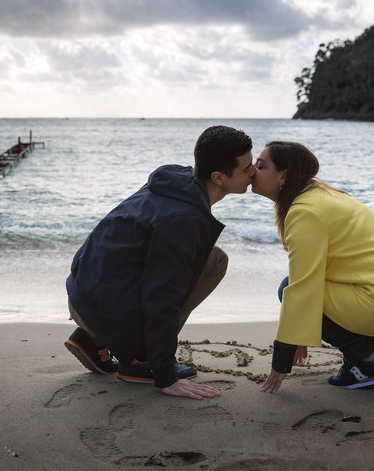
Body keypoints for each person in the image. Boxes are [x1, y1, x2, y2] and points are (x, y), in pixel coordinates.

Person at [64, 126, 255, 400]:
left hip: (84, 293)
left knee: (213, 259)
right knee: (198, 270)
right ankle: (141, 361)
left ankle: (92, 338)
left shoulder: (176, 180)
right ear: (218, 177)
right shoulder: (184, 219)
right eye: (247, 168)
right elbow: (162, 295)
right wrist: (164, 374)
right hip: (101, 307)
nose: (254, 172)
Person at [250, 141, 374, 392]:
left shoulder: (305, 211)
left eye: (260, 166)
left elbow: (302, 288)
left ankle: (367, 361)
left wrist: (282, 360)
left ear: (283, 175)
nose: (252, 170)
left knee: (287, 287)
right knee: (311, 288)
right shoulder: (323, 194)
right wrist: (300, 331)